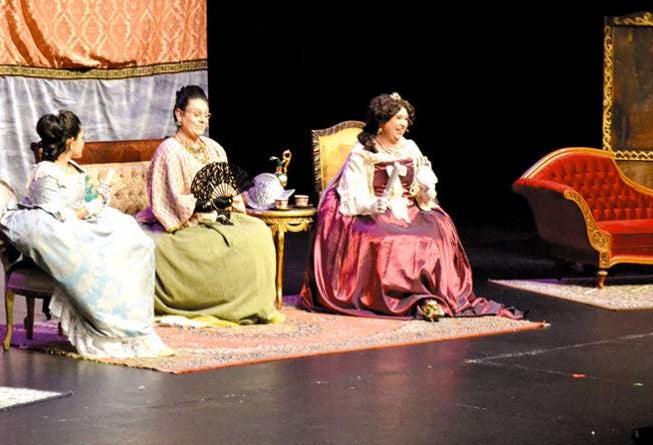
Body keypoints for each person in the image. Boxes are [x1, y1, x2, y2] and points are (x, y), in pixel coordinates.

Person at [300, 93, 522, 321]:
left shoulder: (410, 147)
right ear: (382, 121)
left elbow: (421, 188)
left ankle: (429, 296)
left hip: (409, 208)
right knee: (390, 240)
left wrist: (424, 188)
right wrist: (374, 203)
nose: (403, 124)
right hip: (373, 211)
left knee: (438, 230)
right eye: (398, 118)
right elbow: (352, 193)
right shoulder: (363, 151)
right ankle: (394, 298)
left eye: (406, 119)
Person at [0, 111, 172, 358]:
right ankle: (107, 323)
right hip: (61, 230)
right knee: (105, 250)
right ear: (70, 142)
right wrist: (91, 207)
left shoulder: (74, 167)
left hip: (82, 224)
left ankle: (132, 321)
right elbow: (55, 215)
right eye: (81, 137)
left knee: (135, 240)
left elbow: (89, 199)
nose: (84, 142)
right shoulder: (46, 172)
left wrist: (100, 195)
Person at [140, 86, 283, 325]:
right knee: (211, 246)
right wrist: (202, 202)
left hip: (218, 216)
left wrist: (229, 199)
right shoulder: (169, 151)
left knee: (258, 231)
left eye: (206, 116)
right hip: (185, 222)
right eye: (196, 114)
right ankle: (222, 305)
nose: (202, 121)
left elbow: (229, 188)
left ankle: (253, 305)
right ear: (179, 115)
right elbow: (169, 199)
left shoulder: (213, 147)